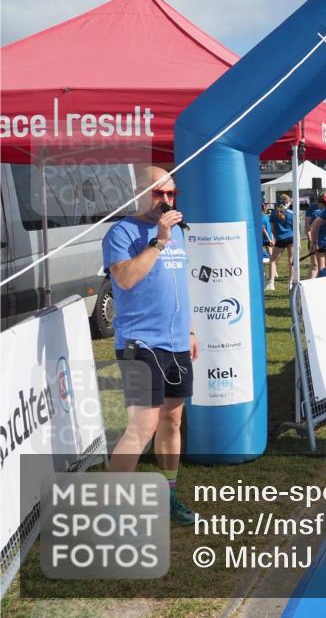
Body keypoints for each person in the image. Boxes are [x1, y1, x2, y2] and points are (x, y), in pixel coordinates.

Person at [102, 166, 199, 525]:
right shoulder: (122, 232)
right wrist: (157, 240)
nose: (168, 201)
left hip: (175, 343)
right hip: (140, 344)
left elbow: (177, 286)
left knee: (172, 421)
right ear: (139, 192)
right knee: (141, 428)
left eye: (172, 194)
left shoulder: (178, 234)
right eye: (160, 194)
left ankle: (169, 495)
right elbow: (125, 280)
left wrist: (189, 331)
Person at [267, 194, 295, 290]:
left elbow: (272, 229)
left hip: (280, 239)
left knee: (273, 261)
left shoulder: (274, 213)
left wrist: (276, 238)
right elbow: (295, 228)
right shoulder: (292, 213)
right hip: (291, 238)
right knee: (291, 261)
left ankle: (271, 283)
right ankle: (290, 284)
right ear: (288, 202)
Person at [261, 202, 275, 266]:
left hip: (267, 239)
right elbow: (264, 230)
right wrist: (271, 239)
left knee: (271, 257)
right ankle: (275, 273)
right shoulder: (265, 217)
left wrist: (270, 239)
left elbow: (266, 230)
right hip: (266, 239)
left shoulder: (266, 217)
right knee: (271, 256)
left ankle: (275, 273)